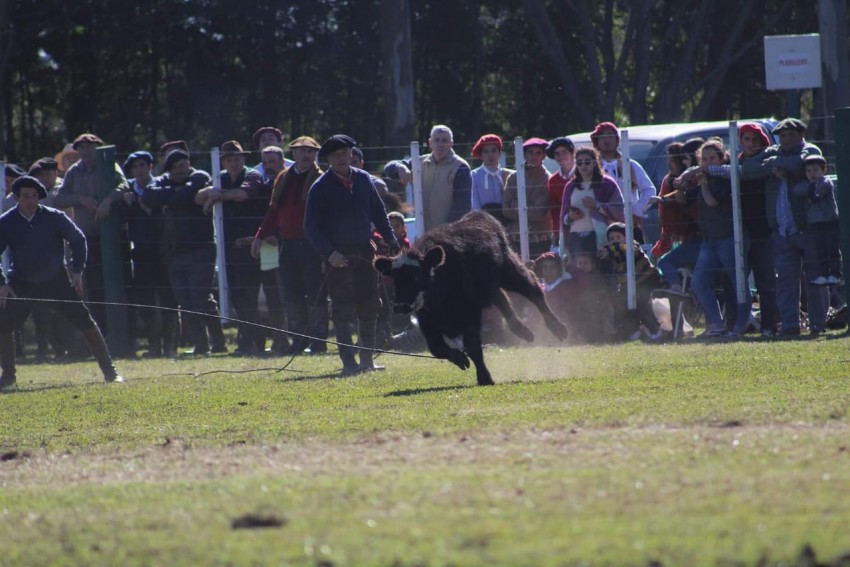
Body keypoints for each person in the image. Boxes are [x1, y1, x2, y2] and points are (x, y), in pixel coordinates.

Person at [0, 176, 123, 388]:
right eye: (26, 196)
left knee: (85, 321)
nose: (31, 200)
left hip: (56, 279)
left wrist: (77, 272)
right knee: (3, 325)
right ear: (17, 197)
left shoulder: (54, 217)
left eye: (35, 196)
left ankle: (110, 372)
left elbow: (78, 240)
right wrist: (2, 283)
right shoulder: (6, 222)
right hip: (21, 282)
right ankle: (8, 375)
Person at [304, 134, 399, 376]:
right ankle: (349, 362)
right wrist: (330, 254)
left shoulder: (365, 180)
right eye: (335, 155)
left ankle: (367, 360)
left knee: (369, 305)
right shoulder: (320, 187)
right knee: (342, 308)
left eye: (344, 153)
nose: (341, 158)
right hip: (338, 256)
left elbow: (379, 213)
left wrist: (391, 239)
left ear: (351, 155)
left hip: (365, 253)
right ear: (329, 158)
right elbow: (311, 228)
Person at [740, 118, 825, 336]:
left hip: (808, 228)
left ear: (801, 134)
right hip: (781, 230)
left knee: (815, 279)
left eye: (791, 134)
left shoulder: (809, 149)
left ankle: (818, 324)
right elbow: (747, 168)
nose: (786, 138)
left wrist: (773, 164)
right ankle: (789, 325)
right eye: (783, 135)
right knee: (786, 282)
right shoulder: (773, 152)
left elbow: (800, 164)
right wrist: (773, 168)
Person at [252, 136, 329, 355]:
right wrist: (260, 236)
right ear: (293, 154)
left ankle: (318, 340)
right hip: (289, 244)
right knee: (292, 293)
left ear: (315, 154)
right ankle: (300, 340)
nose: (306, 155)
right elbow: (273, 211)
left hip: (312, 244)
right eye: (301, 151)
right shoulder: (283, 178)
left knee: (316, 293)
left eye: (310, 151)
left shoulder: (321, 179)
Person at [143, 150, 224, 354]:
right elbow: (149, 196)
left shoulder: (200, 176)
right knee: (185, 301)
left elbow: (186, 193)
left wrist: (170, 199)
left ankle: (218, 341)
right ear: (169, 170)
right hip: (174, 253)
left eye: (183, 165)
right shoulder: (162, 183)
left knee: (201, 298)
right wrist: (176, 196)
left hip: (201, 249)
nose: (181, 170)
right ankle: (201, 344)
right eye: (176, 167)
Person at [53, 133, 129, 336]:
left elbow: (124, 185)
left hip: (112, 237)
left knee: (120, 286)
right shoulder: (73, 172)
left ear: (98, 148)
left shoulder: (109, 165)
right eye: (82, 147)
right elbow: (59, 198)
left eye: (90, 146)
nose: (86, 151)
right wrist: (80, 199)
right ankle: (103, 336)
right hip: (88, 238)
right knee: (95, 288)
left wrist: (108, 200)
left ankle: (125, 336)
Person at [198, 140, 266, 356]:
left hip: (253, 245)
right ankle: (247, 341)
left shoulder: (252, 175)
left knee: (251, 295)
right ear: (223, 162)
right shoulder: (221, 179)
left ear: (243, 159)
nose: (234, 163)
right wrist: (212, 192)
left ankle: (254, 342)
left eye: (237, 158)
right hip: (229, 248)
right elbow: (198, 196)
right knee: (237, 296)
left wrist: (219, 195)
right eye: (229, 159)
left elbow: (244, 194)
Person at [684, 139, 751, 338]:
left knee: (738, 283)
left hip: (730, 238)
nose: (707, 162)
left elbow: (712, 202)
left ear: (722, 158)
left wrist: (702, 183)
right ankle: (716, 324)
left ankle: (740, 327)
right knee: (699, 282)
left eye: (712, 158)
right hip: (709, 239)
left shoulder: (726, 178)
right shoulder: (704, 178)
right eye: (704, 159)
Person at [121, 151, 178, 357]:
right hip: (141, 253)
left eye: (143, 165)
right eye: (135, 166)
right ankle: (154, 346)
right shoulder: (126, 190)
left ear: (150, 166)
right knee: (145, 302)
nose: (139, 170)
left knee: (169, 300)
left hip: (164, 252)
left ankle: (170, 347)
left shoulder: (163, 185)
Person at [383, 124, 472, 231]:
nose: (440, 144)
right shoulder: (419, 162)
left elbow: (462, 206)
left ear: (451, 143)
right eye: (437, 140)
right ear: (430, 142)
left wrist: (445, 231)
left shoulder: (460, 167)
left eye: (444, 140)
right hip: (422, 233)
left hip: (449, 234)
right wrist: (400, 167)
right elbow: (388, 169)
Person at [597, 223, 664, 341]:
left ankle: (655, 330)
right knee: (620, 306)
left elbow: (623, 248)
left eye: (619, 237)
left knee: (641, 304)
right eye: (611, 239)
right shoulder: (614, 253)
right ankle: (633, 330)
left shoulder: (633, 247)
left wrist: (608, 249)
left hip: (647, 281)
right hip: (627, 285)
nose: (615, 241)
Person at [590, 122, 656, 240]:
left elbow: (649, 190)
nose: (607, 140)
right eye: (602, 136)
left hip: (629, 222)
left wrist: (637, 209)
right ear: (596, 141)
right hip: (599, 223)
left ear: (617, 140)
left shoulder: (630, 165)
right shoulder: (592, 167)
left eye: (610, 135)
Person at [652, 141, 702, 291]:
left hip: (693, 235)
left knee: (668, 263)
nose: (669, 163)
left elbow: (685, 196)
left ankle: (678, 290)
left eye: (672, 160)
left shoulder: (694, 179)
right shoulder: (669, 180)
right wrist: (664, 231)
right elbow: (663, 208)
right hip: (674, 235)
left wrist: (666, 198)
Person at [559, 146, 625, 257]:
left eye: (587, 162)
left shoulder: (607, 183)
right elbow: (563, 218)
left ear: (595, 163)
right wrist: (569, 217)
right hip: (575, 239)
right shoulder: (570, 186)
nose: (583, 166)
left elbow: (619, 211)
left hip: (601, 237)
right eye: (579, 163)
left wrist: (597, 206)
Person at [793, 155, 841, 286]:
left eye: (815, 170)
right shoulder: (806, 184)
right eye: (808, 171)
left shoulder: (826, 182)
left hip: (829, 221)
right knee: (820, 250)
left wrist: (809, 190)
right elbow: (797, 190)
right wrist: (809, 189)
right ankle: (823, 274)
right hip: (815, 223)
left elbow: (818, 193)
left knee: (832, 250)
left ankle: (836, 274)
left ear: (823, 170)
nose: (812, 174)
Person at [503, 138, 552, 257]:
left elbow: (539, 213)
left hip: (539, 238)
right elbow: (505, 210)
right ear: (524, 154)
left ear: (544, 156)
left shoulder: (547, 179)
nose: (534, 156)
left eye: (538, 152)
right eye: (530, 152)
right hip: (515, 237)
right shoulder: (513, 177)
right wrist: (528, 209)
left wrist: (516, 205)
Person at [470, 134, 512, 221]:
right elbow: (474, 204)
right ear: (481, 155)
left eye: (494, 150)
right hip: (484, 222)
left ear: (500, 153)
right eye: (486, 151)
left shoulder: (509, 175)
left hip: (508, 221)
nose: (490, 155)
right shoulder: (474, 176)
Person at [546, 137, 576, 244]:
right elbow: (555, 209)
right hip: (566, 228)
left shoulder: (585, 172)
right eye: (557, 153)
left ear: (572, 153)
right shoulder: (553, 180)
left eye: (564, 152)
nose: (561, 156)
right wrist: (556, 231)